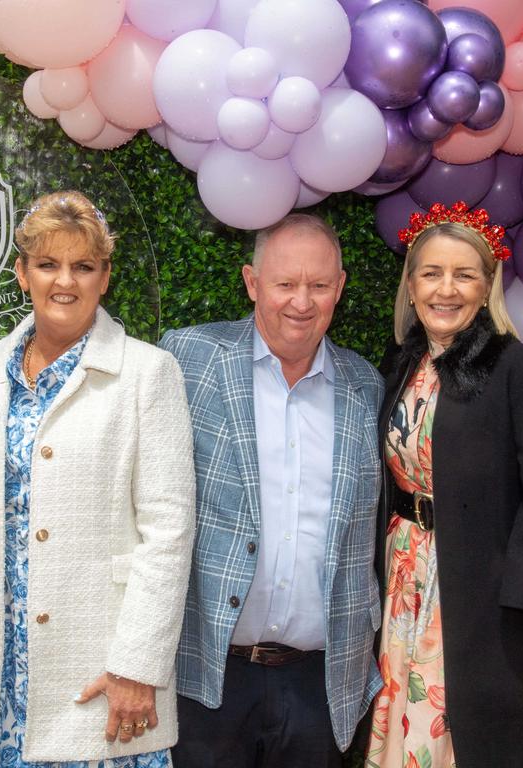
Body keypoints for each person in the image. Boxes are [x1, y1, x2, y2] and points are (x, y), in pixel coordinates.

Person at [0, 191, 196, 767]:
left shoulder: (147, 374)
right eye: (48, 264)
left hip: (102, 672)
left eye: (83, 266)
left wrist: (138, 666)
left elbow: (168, 531)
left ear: (105, 277)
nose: (65, 281)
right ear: (21, 273)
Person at [365, 202, 523, 768]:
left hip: (488, 622)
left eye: (464, 274)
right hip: (405, 597)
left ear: (487, 287)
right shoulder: (402, 367)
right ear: (409, 285)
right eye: (431, 273)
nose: (445, 290)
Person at [160, 213, 384, 768]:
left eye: (319, 285)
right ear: (252, 282)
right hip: (207, 677)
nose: (301, 302)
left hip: (320, 683)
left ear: (341, 288)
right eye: (285, 284)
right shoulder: (187, 361)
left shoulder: (368, 387)